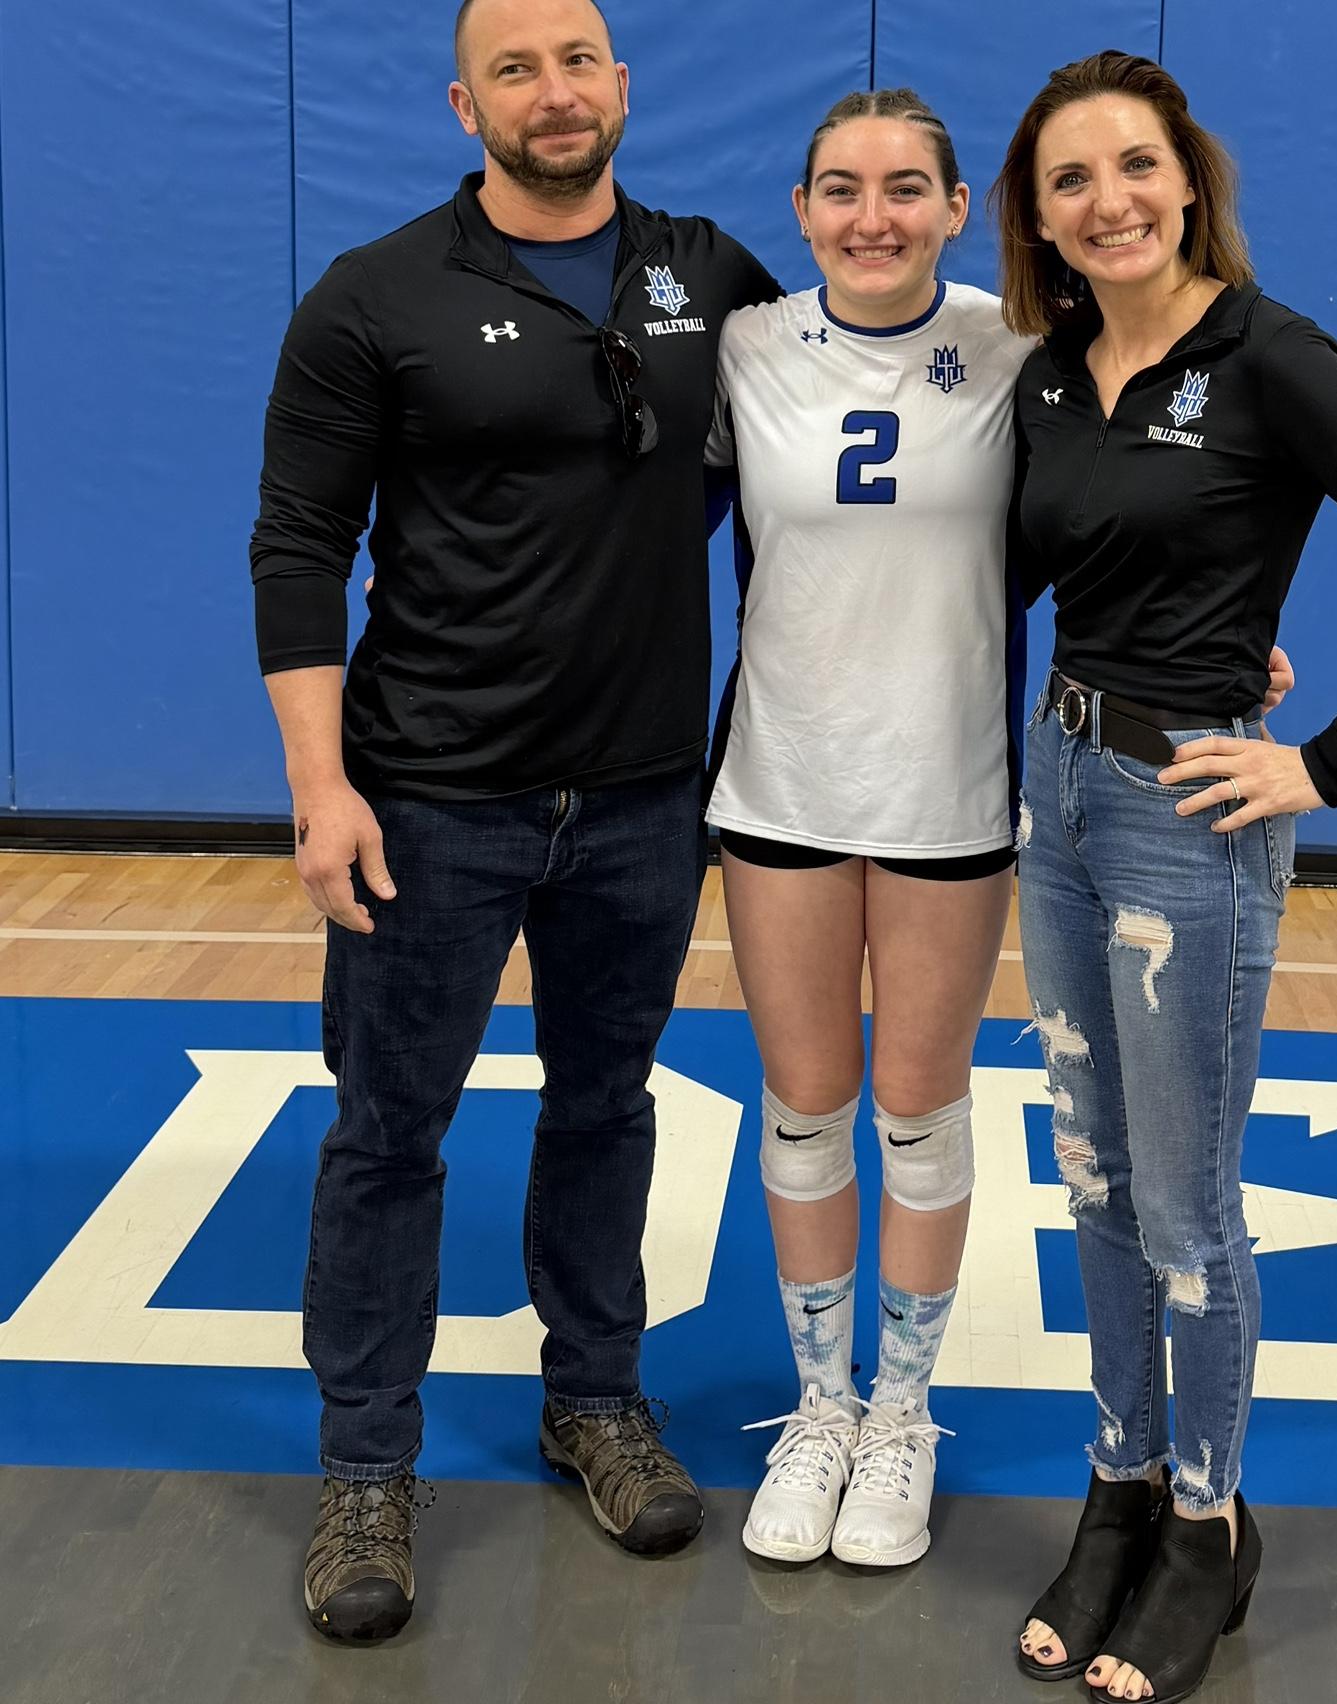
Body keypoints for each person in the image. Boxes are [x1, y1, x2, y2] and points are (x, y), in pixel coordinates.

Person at [704, 89, 1297, 1573]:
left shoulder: (1025, 354)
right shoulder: (748, 346)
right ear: (802, 209)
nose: (874, 216)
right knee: (800, 1103)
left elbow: (1140, 511)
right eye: (842, 189)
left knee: (918, 1106)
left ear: (965, 209)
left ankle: (902, 1416)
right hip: (776, 789)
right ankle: (822, 1408)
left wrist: (1224, 647)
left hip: (950, 793)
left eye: (909, 187)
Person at [991, 52, 1337, 1703]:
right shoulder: (1058, 371)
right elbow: (1060, 567)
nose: (1108, 202)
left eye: (1133, 165)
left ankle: (1210, 1532)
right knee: (1090, 1174)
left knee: (1189, 1207)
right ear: (1041, 220)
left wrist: (1320, 760)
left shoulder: (1272, 355)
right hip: (1056, 792)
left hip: (1185, 818)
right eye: (1070, 182)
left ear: (1190, 175)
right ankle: (1120, 1489)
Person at [248, 0, 777, 1643]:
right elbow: (294, 547)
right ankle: (364, 1465)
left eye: (577, 64)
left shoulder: (718, 280)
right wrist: (323, 788)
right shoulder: (372, 295)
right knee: (389, 1132)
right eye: (516, 69)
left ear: (622, 87)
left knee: (608, 1106)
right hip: (428, 800)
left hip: (639, 800)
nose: (552, 95)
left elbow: (895, 432)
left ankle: (594, 1398)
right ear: (462, 101)